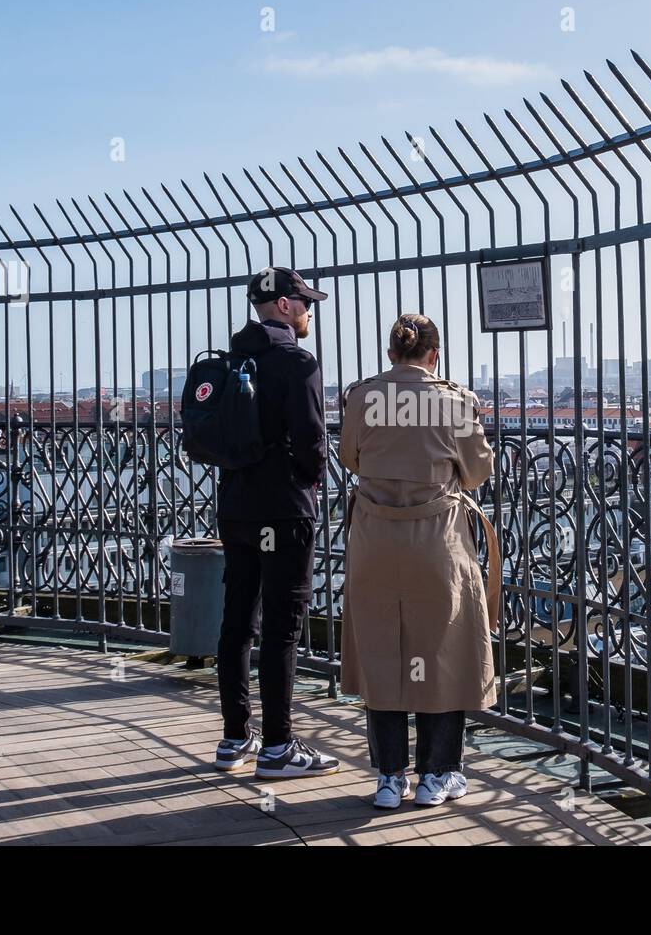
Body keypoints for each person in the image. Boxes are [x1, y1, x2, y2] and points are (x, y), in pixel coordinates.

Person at [338, 313, 500, 809]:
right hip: (437, 544)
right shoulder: (453, 401)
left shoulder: (363, 397)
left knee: (383, 654)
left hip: (376, 543)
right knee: (443, 657)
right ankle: (437, 774)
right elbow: (475, 474)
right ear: (435, 355)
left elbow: (350, 458)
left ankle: (389, 778)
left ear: (391, 354)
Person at [212, 267, 340, 779]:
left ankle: (234, 735)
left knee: (237, 621)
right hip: (284, 509)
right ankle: (279, 747)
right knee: (283, 630)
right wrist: (310, 480)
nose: (309, 310)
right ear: (284, 306)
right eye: (305, 302)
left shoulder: (230, 359)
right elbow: (311, 440)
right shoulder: (297, 361)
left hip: (236, 506)